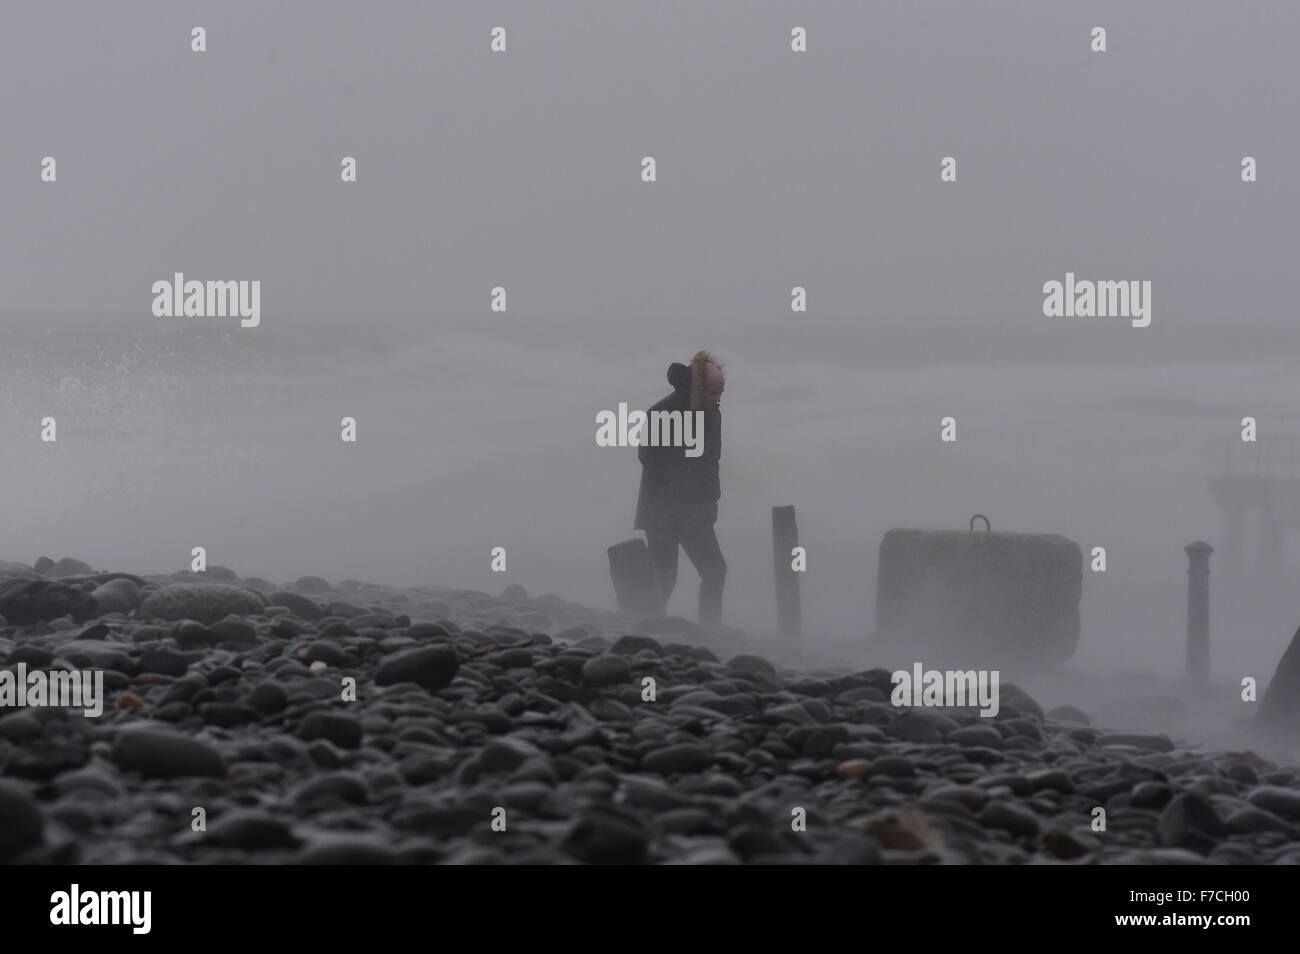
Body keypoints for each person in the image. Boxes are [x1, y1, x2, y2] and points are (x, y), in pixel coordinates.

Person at [633, 351, 727, 630]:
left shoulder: (712, 413)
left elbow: (712, 461)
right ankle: (643, 629)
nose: (719, 398)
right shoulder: (662, 412)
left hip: (695, 511)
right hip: (662, 511)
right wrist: (683, 491)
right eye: (713, 392)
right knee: (665, 577)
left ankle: (710, 630)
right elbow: (649, 458)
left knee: (715, 571)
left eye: (721, 392)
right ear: (697, 389)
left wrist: (711, 502)